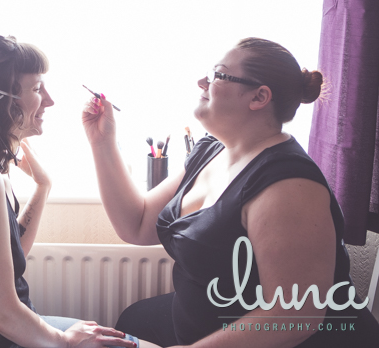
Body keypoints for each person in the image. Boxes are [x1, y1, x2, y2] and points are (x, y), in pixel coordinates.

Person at [82, 37, 379, 348]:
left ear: (259, 97)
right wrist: (102, 142)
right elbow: (138, 223)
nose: (202, 81)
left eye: (218, 75)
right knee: (132, 320)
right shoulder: (211, 149)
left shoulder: (289, 186)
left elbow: (296, 314)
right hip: (208, 323)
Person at [0, 33, 158, 348]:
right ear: (0, 100)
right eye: (38, 89)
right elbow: (0, 313)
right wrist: (65, 342)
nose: (49, 100)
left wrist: (43, 186)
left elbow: (9, 260)